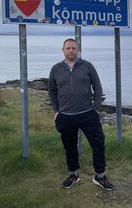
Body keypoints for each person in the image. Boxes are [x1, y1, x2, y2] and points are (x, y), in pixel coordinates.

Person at [48, 38, 114, 191]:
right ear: (63, 50)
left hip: (87, 114)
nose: (71, 51)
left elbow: (97, 86)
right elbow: (52, 90)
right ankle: (73, 174)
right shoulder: (56, 69)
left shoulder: (87, 66)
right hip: (65, 115)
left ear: (78, 50)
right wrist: (56, 110)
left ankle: (100, 176)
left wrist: (96, 109)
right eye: (68, 48)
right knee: (70, 147)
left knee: (98, 145)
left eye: (74, 48)